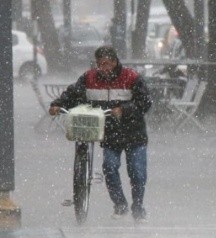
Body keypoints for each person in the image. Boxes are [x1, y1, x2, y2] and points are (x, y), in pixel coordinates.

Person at [50, 45, 152, 222]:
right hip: (110, 133)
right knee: (110, 168)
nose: (103, 68)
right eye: (99, 64)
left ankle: (138, 207)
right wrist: (58, 104)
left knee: (137, 172)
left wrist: (124, 110)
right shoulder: (89, 78)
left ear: (114, 62)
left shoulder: (132, 77)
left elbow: (145, 103)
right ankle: (120, 205)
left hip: (134, 133)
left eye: (106, 64)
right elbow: (73, 93)